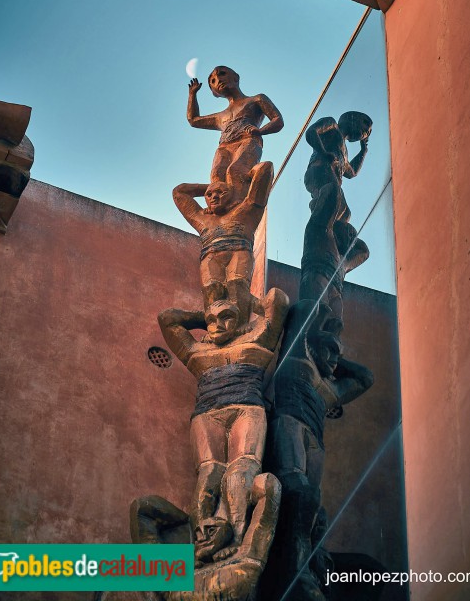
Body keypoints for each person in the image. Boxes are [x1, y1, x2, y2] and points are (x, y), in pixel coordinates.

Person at [157, 287, 289, 566]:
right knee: (209, 474)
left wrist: (244, 302)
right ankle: (201, 545)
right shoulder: (196, 350)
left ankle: (238, 539)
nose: (218, 325)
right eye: (212, 320)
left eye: (226, 317)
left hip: (246, 409)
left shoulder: (256, 338)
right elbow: (167, 318)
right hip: (208, 413)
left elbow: (278, 301)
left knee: (241, 468)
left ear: (240, 319)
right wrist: (204, 315)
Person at [264, 303, 373, 600]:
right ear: (312, 345)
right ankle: (294, 570)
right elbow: (306, 311)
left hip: (315, 440)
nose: (335, 361)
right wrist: (318, 342)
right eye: (331, 352)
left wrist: (334, 354)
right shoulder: (298, 361)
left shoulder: (328, 391)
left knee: (313, 507)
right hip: (289, 424)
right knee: (299, 492)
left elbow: (366, 378)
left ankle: (309, 565)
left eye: (338, 355)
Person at [173, 161, 273, 323]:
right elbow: (179, 191)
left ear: (231, 194)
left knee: (237, 283)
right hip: (211, 255)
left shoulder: (246, 210)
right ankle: (214, 327)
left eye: (220, 192)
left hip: (238, 251)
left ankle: (240, 326)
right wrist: (212, 186)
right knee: (211, 288)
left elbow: (265, 168)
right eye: (209, 194)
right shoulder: (202, 218)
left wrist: (243, 178)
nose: (214, 197)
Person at [300, 112, 372, 321]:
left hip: (334, 179)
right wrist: (323, 153)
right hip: (319, 172)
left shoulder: (345, 151)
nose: (365, 131)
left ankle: (335, 242)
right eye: (364, 124)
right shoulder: (332, 126)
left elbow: (352, 172)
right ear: (350, 118)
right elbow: (311, 133)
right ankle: (321, 213)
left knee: (345, 213)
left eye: (368, 131)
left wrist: (364, 150)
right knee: (331, 193)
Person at [186, 66, 283, 198]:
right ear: (215, 93)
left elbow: (278, 120)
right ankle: (220, 210)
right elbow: (193, 120)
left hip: (247, 140)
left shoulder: (256, 99)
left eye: (222, 74)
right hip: (224, 147)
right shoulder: (220, 117)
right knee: (217, 175)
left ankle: (239, 203)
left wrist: (260, 131)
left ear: (235, 77)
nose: (218, 80)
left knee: (236, 170)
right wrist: (192, 94)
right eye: (213, 81)